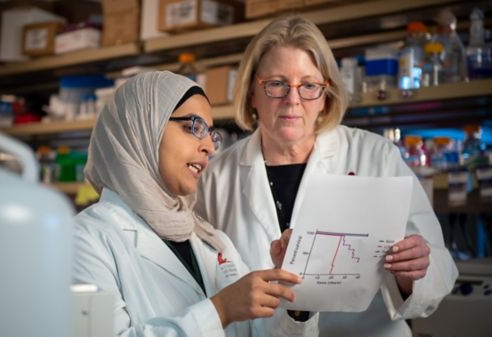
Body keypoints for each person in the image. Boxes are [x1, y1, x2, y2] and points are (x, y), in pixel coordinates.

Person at [195, 15, 458, 337]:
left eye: (308, 85)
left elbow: (439, 269)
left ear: (325, 95)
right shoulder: (216, 177)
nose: (293, 100)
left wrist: (412, 273)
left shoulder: (375, 157)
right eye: (276, 84)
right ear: (252, 91)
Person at [72, 70, 319, 337]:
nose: (210, 148)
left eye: (211, 134)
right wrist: (220, 310)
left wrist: (292, 295)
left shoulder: (210, 241)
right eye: (193, 127)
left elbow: (256, 331)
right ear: (142, 128)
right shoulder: (83, 240)